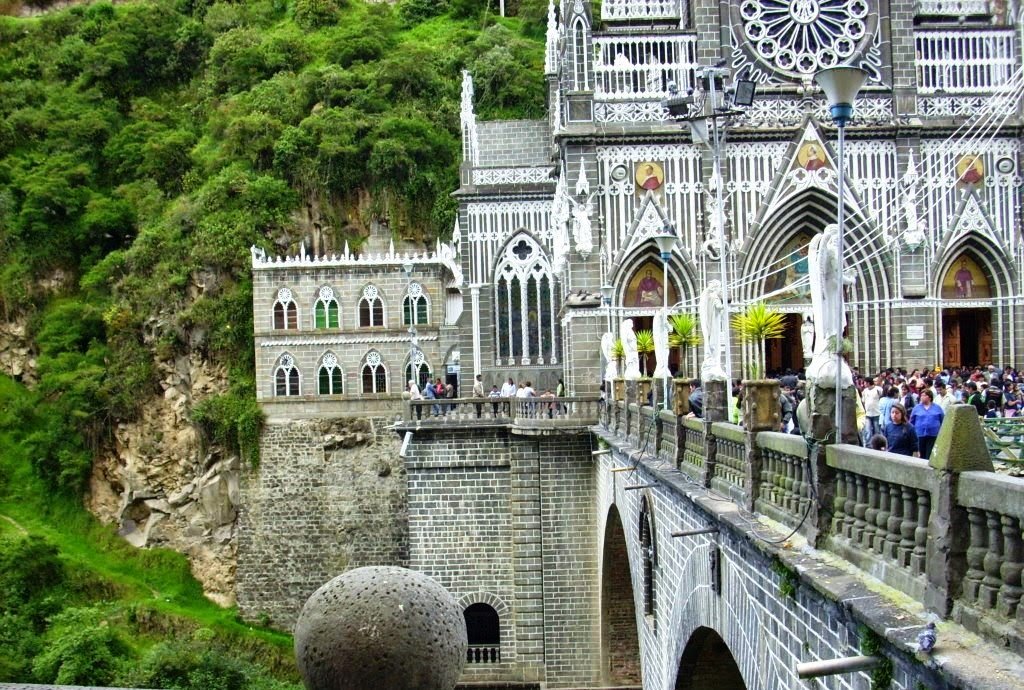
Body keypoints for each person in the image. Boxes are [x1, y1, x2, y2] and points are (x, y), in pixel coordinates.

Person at [909, 390, 944, 460]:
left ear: (929, 397)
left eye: (924, 395)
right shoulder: (917, 408)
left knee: (930, 454)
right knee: (921, 454)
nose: (921, 397)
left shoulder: (937, 408)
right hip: (919, 435)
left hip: (933, 435)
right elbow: (911, 421)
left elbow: (942, 420)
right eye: (921, 395)